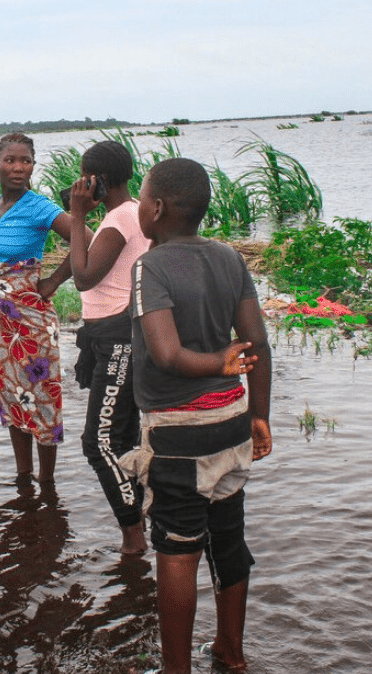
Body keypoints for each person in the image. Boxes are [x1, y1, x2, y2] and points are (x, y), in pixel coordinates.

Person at [121, 157, 272, 674]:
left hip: (180, 432)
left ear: (157, 208)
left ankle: (175, 670)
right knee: (228, 539)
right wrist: (260, 416)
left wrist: (215, 360)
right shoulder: (229, 257)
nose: (139, 206)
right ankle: (231, 652)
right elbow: (260, 344)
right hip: (232, 421)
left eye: (142, 198)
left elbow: (167, 354)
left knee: (177, 548)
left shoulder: (151, 266)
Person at [0, 133, 82, 484]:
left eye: (25, 160)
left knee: (42, 397)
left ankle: (46, 482)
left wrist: (52, 283)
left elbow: (85, 240)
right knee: (12, 396)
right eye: (10, 160)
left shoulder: (40, 206)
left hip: (29, 322)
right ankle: (22, 475)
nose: (18, 167)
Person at [63, 141, 154, 555]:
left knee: (98, 443)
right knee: (122, 437)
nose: (80, 184)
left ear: (97, 179)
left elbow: (82, 278)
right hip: (117, 336)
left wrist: (78, 214)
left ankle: (133, 535)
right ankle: (139, 522)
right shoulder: (130, 214)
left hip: (119, 339)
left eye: (85, 176)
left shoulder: (119, 218)